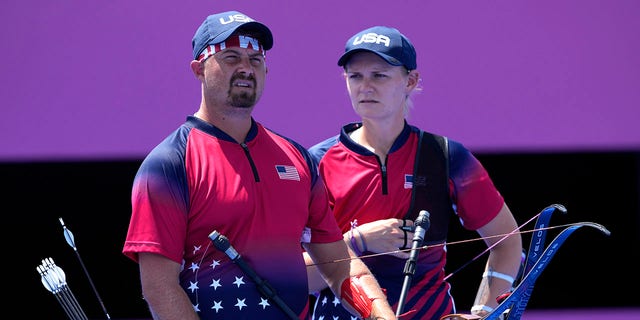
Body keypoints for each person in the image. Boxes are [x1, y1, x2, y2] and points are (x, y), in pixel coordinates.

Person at [122, 12, 397, 320]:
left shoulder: (296, 157)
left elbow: (338, 263)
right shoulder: (168, 164)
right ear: (199, 69)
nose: (245, 68)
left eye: (255, 59)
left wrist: (383, 317)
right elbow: (159, 286)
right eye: (231, 57)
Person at [304, 26, 524, 320]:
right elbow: (293, 279)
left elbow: (508, 242)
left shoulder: (446, 156)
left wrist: (484, 312)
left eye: (379, 75)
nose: (365, 87)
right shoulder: (315, 161)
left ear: (411, 80)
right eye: (355, 76)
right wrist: (357, 241)